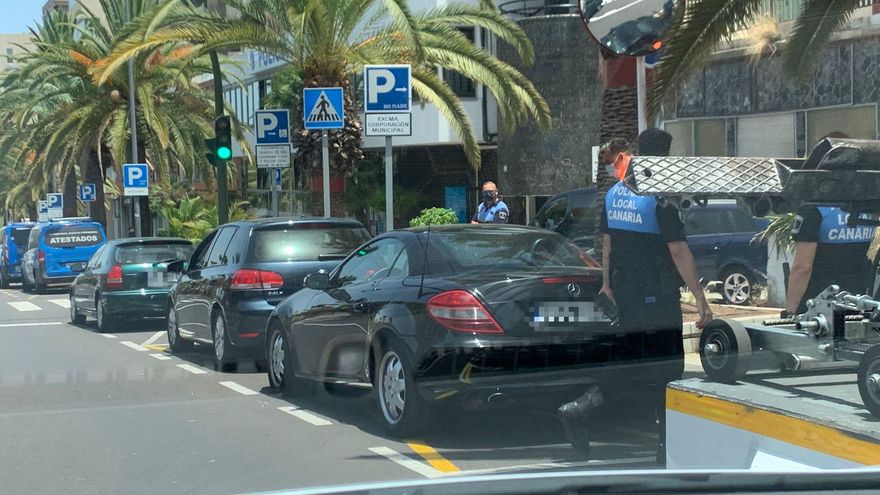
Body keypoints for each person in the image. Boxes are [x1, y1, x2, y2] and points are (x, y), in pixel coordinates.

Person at [598, 137, 712, 461]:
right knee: (667, 369)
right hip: (657, 295)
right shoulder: (660, 199)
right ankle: (665, 444)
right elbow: (678, 251)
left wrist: (607, 285)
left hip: (626, 292)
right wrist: (701, 300)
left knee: (633, 360)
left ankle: (583, 408)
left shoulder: (612, 194)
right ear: (664, 156)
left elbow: (607, 245)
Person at [784, 205, 877, 316]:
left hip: (816, 306)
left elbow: (803, 267)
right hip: (855, 301)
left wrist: (790, 311)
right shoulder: (868, 207)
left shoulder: (813, 209)